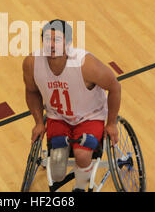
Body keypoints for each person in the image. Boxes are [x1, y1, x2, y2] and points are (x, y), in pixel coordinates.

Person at [22, 19, 121, 191]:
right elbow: (31, 91)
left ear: (67, 44)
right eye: (47, 39)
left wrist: (111, 123)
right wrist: (38, 122)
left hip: (90, 116)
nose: (51, 45)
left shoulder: (86, 65)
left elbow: (115, 87)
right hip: (57, 116)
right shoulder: (32, 63)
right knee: (58, 167)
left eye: (57, 40)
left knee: (82, 156)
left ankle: (80, 188)